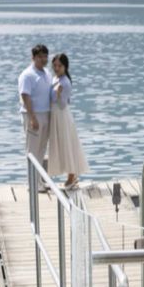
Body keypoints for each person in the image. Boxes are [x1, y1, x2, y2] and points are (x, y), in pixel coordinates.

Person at [48, 53, 89, 190]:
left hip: (62, 116)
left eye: (59, 66)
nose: (56, 68)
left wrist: (57, 94)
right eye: (55, 66)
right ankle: (71, 175)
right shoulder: (55, 78)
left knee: (67, 144)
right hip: (56, 116)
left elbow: (62, 104)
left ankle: (72, 176)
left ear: (65, 67)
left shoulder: (65, 82)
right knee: (61, 144)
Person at [18, 44, 52, 192]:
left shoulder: (46, 73)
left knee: (41, 150)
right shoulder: (27, 75)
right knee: (32, 150)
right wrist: (32, 117)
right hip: (33, 115)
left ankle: (39, 181)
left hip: (45, 114)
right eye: (40, 57)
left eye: (45, 57)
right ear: (33, 58)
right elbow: (25, 96)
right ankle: (31, 184)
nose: (43, 59)